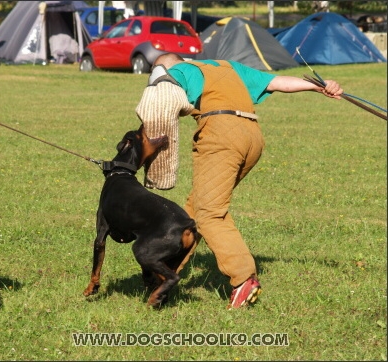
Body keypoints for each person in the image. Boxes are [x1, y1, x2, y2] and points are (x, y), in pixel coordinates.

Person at [143, 53, 343, 309]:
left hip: (221, 133)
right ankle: (165, 274)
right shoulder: (226, 66)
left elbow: (161, 100)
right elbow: (278, 82)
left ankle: (243, 279)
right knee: (195, 207)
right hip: (251, 136)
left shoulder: (178, 71)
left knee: (209, 213)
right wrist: (320, 86)